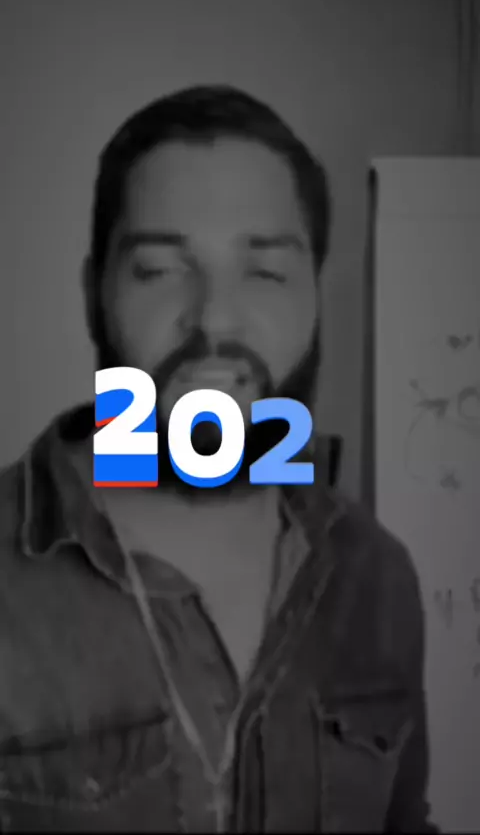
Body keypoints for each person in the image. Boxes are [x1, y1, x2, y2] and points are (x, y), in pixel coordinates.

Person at [0, 85, 437, 833]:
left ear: (315, 298)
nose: (214, 318)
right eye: (159, 269)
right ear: (93, 294)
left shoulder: (376, 576)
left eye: (264, 272)